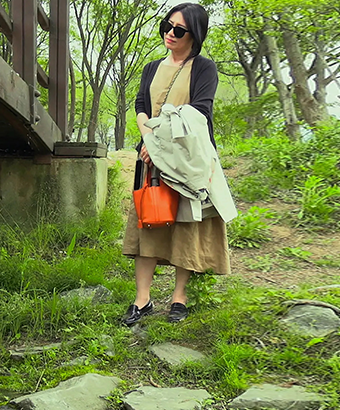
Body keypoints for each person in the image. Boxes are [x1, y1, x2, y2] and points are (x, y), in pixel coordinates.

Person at [122, 3, 232, 326]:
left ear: (194, 35)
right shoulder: (151, 68)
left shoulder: (204, 68)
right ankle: (142, 300)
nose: (170, 33)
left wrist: (158, 146)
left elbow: (199, 112)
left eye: (179, 30)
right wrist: (149, 142)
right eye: (167, 25)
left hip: (186, 159)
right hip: (150, 157)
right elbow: (141, 106)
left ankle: (179, 298)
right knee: (149, 221)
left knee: (185, 225)